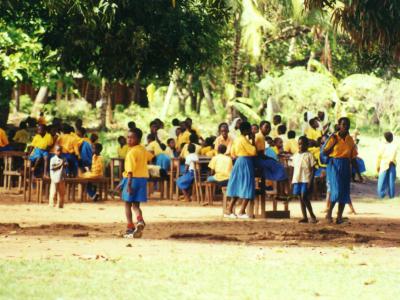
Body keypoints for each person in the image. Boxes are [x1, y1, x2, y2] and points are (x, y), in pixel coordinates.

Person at [116, 128, 153, 239]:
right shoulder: (142, 149)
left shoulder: (131, 152)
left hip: (132, 179)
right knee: (136, 205)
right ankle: (140, 220)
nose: (129, 139)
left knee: (127, 203)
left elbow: (130, 171)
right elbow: (151, 156)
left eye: (132, 137)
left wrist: (127, 184)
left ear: (138, 139)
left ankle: (130, 226)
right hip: (142, 180)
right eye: (128, 137)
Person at [323, 117, 357, 224]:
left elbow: (353, 157)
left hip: (346, 165)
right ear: (339, 125)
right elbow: (325, 152)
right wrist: (333, 143)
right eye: (343, 124)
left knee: (344, 192)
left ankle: (339, 217)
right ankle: (329, 213)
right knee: (336, 190)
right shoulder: (333, 137)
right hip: (334, 164)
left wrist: (359, 174)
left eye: (347, 125)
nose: (345, 127)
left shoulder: (350, 139)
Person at [226, 122, 256, 219]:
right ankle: (242, 211)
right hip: (246, 162)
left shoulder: (237, 139)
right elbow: (253, 151)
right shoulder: (244, 140)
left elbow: (232, 153)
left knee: (237, 186)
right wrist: (253, 139)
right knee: (248, 185)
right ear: (246, 130)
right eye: (250, 129)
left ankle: (229, 210)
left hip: (238, 162)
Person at [291, 136, 318, 223]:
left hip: (306, 179)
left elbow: (314, 169)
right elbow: (293, 168)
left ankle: (312, 216)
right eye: (299, 144)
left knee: (304, 196)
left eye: (303, 144)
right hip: (297, 179)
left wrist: (311, 180)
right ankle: (305, 217)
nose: (300, 146)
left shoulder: (309, 155)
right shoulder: (295, 156)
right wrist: (292, 181)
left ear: (307, 145)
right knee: (300, 198)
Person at [377, 132, 397, 199]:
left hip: (384, 164)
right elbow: (393, 156)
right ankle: (391, 196)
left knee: (381, 181)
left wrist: (377, 166)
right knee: (391, 182)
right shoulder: (394, 146)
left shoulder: (382, 146)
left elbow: (379, 157)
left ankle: (381, 195)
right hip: (392, 164)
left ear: (385, 138)